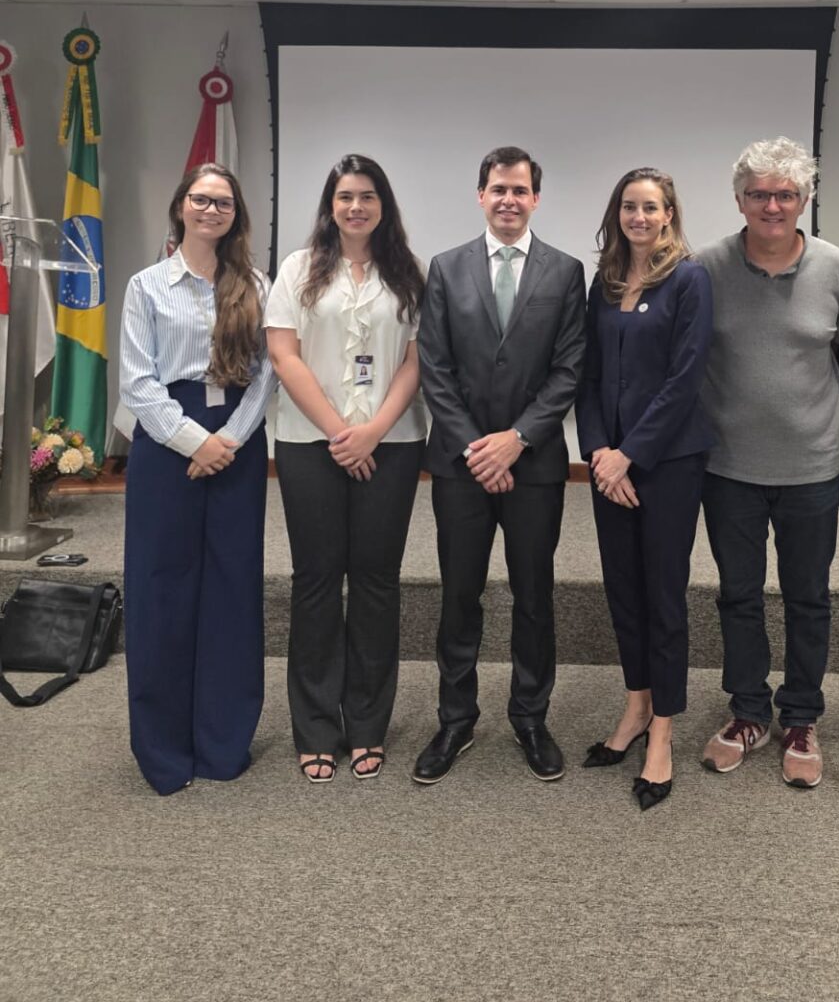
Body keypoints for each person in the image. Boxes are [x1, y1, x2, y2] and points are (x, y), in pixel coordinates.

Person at [413, 146, 585, 785]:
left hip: (534, 465)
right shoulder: (446, 268)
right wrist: (477, 448)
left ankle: (531, 718)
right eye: (497, 189)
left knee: (533, 595)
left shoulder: (565, 272)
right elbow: (435, 366)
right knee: (460, 595)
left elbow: (570, 368)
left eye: (519, 190)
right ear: (480, 195)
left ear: (536, 198)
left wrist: (516, 440)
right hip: (461, 467)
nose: (508, 199)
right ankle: (455, 719)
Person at [697, 137, 839, 788]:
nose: (772, 206)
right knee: (738, 594)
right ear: (739, 200)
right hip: (728, 467)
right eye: (759, 194)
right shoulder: (705, 268)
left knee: (808, 597)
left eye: (785, 194)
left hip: (812, 468)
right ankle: (747, 712)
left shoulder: (835, 267)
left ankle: (801, 716)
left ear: (804, 200)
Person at [265, 154, 426, 783]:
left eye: (367, 196)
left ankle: (367, 725)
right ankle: (315, 729)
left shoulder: (408, 272)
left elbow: (415, 361)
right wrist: (341, 433)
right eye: (345, 197)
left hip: (392, 444)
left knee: (377, 583)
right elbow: (284, 355)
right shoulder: (298, 268)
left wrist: (374, 431)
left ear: (384, 205)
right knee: (316, 581)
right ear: (330, 205)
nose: (356, 207)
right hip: (311, 444)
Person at [120, 163, 275, 796]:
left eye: (224, 202)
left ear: (236, 214)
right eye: (201, 200)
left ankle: (222, 741)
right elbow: (137, 381)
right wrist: (194, 442)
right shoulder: (147, 285)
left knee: (232, 589)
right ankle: (163, 749)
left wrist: (228, 440)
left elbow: (266, 372)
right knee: (161, 589)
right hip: (167, 446)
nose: (212, 210)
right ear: (181, 206)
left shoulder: (255, 284)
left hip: (237, 441)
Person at [576, 168, 713, 811]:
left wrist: (630, 455)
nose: (638, 216)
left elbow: (686, 378)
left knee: (662, 594)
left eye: (649, 207)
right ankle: (635, 706)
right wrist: (600, 452)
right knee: (623, 589)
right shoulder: (604, 282)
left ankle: (662, 730)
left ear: (668, 214)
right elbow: (588, 376)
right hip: (609, 465)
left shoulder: (689, 279)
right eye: (628, 206)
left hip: (667, 463)